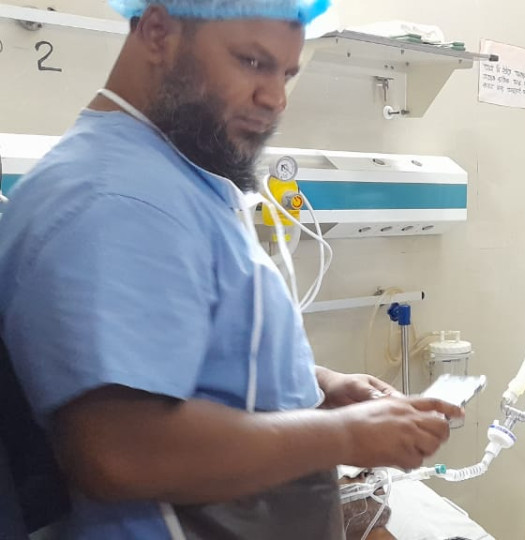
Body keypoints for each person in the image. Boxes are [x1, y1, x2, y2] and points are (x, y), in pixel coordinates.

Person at [0, 1, 463, 538]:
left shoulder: (172, 177)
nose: (276, 97)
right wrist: (344, 434)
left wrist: (315, 386)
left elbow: (183, 350)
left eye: (286, 73)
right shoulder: (115, 201)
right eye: (252, 62)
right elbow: (122, 450)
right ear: (158, 31)